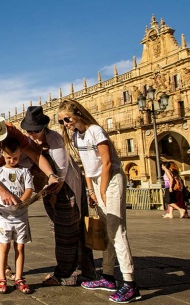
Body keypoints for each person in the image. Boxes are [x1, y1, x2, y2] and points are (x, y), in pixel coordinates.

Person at [58, 99, 141, 303]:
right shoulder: (77, 136)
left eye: (66, 119)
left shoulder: (96, 130)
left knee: (117, 231)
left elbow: (107, 162)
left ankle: (130, 285)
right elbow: (86, 165)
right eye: (61, 122)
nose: (65, 124)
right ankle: (108, 277)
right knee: (106, 231)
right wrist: (91, 190)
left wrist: (102, 188)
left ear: (77, 114)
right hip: (96, 182)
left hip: (111, 178)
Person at [0, 112, 58, 286]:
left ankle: (4, 266)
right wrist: (2, 192)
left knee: (6, 222)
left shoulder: (11, 131)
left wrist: (51, 175)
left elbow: (35, 155)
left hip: (4, 176)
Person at [20, 106, 96, 286]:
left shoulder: (54, 139)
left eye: (36, 130)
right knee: (67, 230)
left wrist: (52, 196)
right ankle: (86, 271)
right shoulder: (30, 140)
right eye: (28, 130)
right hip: (50, 189)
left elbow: (60, 174)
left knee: (67, 232)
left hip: (66, 187)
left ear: (44, 127)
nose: (32, 134)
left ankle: (66, 274)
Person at [0, 137, 33, 294]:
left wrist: (21, 201)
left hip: (20, 215)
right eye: (9, 157)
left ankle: (19, 278)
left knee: (20, 247)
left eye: (15, 157)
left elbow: (29, 189)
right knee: (4, 246)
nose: (12, 160)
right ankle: (2, 277)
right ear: (3, 155)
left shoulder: (24, 171)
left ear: (20, 154)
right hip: (4, 216)